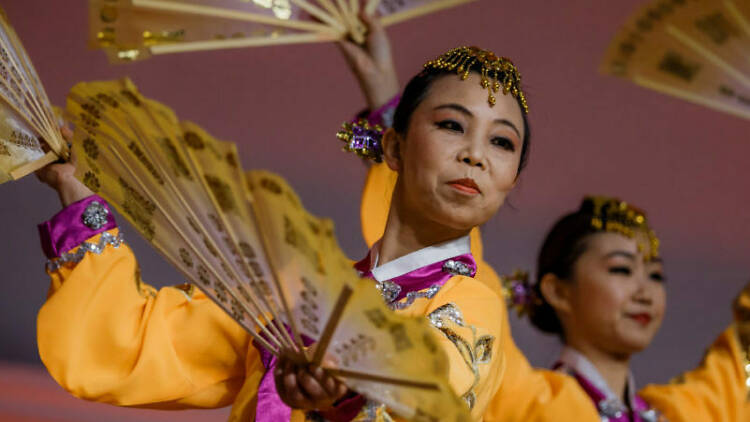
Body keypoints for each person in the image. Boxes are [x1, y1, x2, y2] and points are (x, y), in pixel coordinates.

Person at [511, 196, 750, 421]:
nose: (645, 293)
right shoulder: (534, 406)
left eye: (655, 276)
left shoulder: (673, 412)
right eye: (621, 270)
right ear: (558, 291)